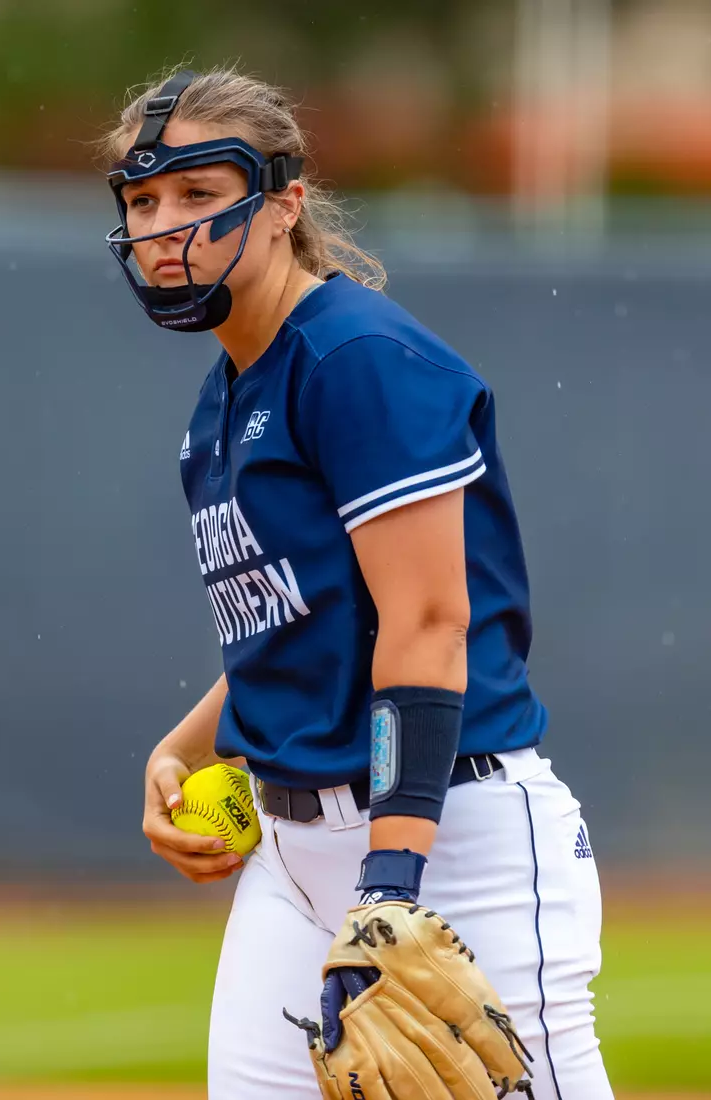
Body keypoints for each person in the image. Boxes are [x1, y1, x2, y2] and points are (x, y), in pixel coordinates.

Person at [105, 66, 613, 1100]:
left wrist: (392, 885)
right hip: (291, 859)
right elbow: (302, 625)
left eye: (202, 195)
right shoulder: (226, 396)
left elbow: (427, 624)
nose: (165, 226)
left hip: (448, 839)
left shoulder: (357, 358)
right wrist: (183, 746)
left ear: (286, 202)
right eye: (143, 200)